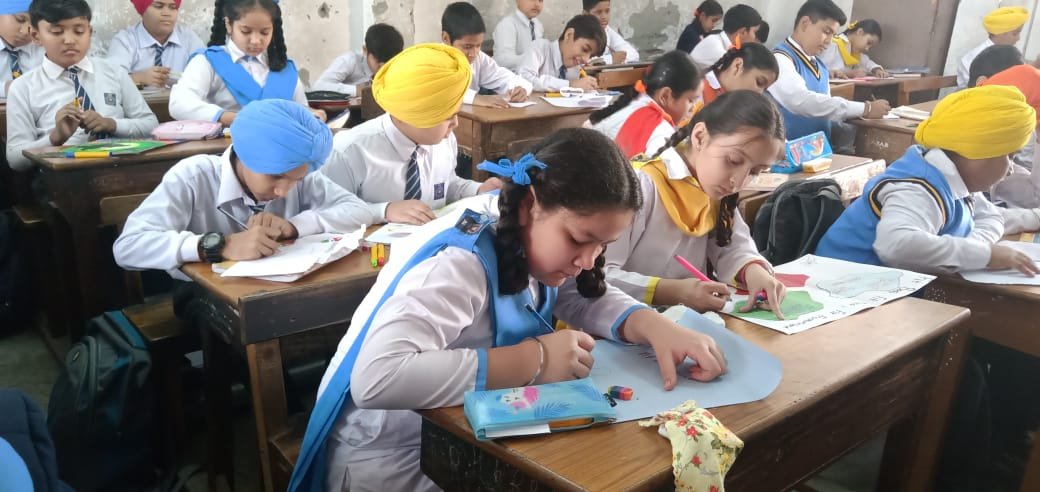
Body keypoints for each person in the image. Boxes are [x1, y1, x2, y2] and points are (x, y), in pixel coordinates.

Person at [288, 128, 727, 491]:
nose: (587, 260)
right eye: (578, 240)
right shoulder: (459, 263)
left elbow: (577, 292)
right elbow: (378, 378)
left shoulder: (532, 239)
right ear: (530, 204)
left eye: (603, 246)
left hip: (465, 435)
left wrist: (649, 324)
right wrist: (534, 360)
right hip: (391, 456)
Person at [113, 99, 379, 279]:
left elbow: (358, 210)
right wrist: (217, 246)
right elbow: (128, 247)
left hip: (278, 286)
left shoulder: (300, 171)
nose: (283, 192)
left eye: (295, 181)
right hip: (204, 296)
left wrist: (293, 226)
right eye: (275, 177)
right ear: (244, 154)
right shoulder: (194, 176)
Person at [815, 85, 1038, 276]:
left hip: (882, 288)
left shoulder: (955, 177)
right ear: (979, 154)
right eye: (1009, 156)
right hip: (841, 287)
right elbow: (894, 245)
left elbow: (991, 216)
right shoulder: (917, 188)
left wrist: (975, 246)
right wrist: (985, 255)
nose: (1011, 168)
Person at [606, 90, 787, 316]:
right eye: (733, 160)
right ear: (700, 137)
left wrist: (753, 270)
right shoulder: (641, 186)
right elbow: (598, 275)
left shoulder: (715, 190)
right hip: (621, 321)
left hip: (685, 322)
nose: (739, 181)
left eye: (755, 172)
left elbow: (732, 247)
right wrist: (670, 291)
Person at [320, 44, 502, 225]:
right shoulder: (348, 152)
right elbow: (325, 212)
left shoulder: (444, 142)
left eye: (456, 113)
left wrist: (477, 190)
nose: (456, 124)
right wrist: (383, 211)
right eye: (447, 117)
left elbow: (446, 185)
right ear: (413, 115)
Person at [6, 0, 158, 172]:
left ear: (90, 32)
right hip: (62, 176)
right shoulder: (23, 88)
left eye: (79, 31)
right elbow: (15, 159)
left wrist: (112, 124)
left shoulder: (113, 72)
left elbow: (151, 125)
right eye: (57, 32)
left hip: (122, 168)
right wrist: (55, 138)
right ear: (35, 36)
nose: (70, 40)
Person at [168, 0, 318, 125]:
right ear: (228, 24)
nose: (256, 40)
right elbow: (179, 104)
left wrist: (311, 115)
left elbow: (301, 110)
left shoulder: (284, 68)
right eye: (246, 31)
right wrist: (230, 118)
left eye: (265, 32)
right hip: (225, 147)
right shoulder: (207, 61)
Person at [766, 0, 890, 146]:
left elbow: (825, 110)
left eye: (833, 35)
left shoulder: (820, 66)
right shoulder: (780, 59)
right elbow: (801, 101)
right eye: (826, 32)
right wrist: (865, 108)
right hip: (789, 153)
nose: (829, 41)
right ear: (805, 24)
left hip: (818, 151)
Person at [588, 50, 702, 158]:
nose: (693, 108)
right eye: (691, 100)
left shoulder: (635, 102)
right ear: (665, 96)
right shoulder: (660, 131)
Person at [440, 2, 531, 109]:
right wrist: (475, 98)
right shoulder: (434, 59)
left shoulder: (480, 59)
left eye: (478, 45)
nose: (473, 54)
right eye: (467, 47)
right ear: (446, 38)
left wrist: (521, 89)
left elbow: (507, 78)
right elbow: (441, 90)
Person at [106, 0, 205, 87]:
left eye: (172, 7)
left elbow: (208, 75)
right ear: (143, 10)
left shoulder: (188, 39)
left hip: (180, 102)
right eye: (159, 6)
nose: (167, 13)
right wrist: (140, 78)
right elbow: (109, 80)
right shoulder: (126, 40)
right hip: (137, 103)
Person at [517, 14, 604, 92]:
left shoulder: (576, 68)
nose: (586, 60)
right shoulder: (540, 48)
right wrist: (569, 85)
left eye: (591, 56)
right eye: (584, 49)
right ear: (569, 35)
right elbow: (523, 78)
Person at [310, 23, 403, 96]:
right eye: (378, 61)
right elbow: (318, 87)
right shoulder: (349, 60)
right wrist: (356, 90)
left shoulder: (398, 65)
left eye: (387, 62)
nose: (382, 67)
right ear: (365, 50)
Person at [957, 6, 1029, 89]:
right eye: (1015, 34)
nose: (1018, 38)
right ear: (1000, 33)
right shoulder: (970, 60)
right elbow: (976, 91)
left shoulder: (1012, 55)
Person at [700, 41, 778, 106]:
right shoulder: (697, 93)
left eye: (765, 89)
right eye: (759, 82)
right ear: (737, 66)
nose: (760, 93)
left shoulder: (734, 108)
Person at [689, 3, 761, 70]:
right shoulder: (718, 50)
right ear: (743, 32)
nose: (754, 37)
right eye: (754, 32)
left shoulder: (717, 40)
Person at [0, 0, 42, 99]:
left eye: (35, 25)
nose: (25, 31)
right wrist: (6, 88)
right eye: (20, 19)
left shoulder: (45, 49)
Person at [819, 19, 886, 78]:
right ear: (860, 32)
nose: (867, 49)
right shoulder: (832, 45)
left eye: (870, 47)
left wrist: (877, 70)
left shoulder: (856, 54)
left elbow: (869, 64)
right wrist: (848, 74)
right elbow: (817, 70)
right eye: (868, 43)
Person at [492, 0, 544, 71]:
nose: (537, 4)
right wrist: (532, 59)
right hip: (512, 76)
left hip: (533, 74)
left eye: (541, 0)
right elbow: (501, 60)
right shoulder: (507, 24)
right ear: (518, 1)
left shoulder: (538, 25)